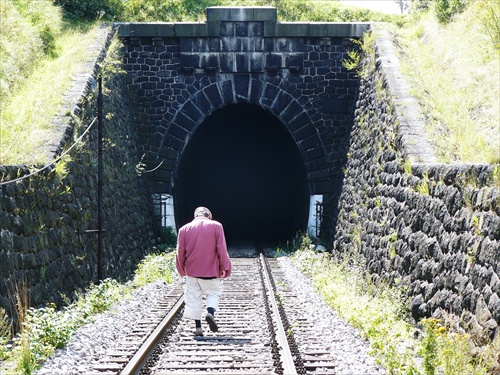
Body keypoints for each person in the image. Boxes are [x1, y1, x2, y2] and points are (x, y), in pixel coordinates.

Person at [175, 206, 232, 336]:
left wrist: (181, 268)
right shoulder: (217, 226)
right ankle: (210, 313)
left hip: (192, 271)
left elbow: (180, 252)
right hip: (211, 271)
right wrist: (224, 267)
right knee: (213, 293)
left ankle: (198, 328)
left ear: (195, 216)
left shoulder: (184, 229)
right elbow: (222, 249)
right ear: (209, 216)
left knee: (194, 298)